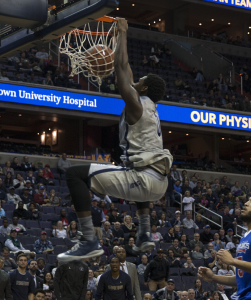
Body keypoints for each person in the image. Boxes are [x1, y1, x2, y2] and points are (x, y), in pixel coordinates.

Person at [57, 18, 172, 262]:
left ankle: (88, 240)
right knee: (132, 166)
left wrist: (122, 31)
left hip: (145, 180)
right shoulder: (150, 107)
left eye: (140, 81)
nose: (136, 81)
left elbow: (121, 68)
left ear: (144, 88)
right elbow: (126, 67)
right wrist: (121, 37)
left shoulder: (136, 104)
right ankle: (144, 233)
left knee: (75, 174)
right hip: (158, 183)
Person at [199, 194, 251, 300]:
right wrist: (213, 277)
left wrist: (232, 261)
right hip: (243, 295)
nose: (246, 203)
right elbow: (242, 278)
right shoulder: (245, 236)